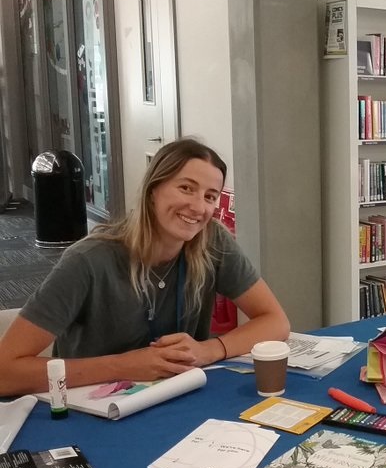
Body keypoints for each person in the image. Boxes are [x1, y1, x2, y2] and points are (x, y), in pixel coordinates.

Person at [0, 138, 290, 396]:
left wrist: (209, 350)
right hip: (92, 408)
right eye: (186, 188)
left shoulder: (212, 242)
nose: (198, 207)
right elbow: (5, 373)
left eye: (210, 196)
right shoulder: (88, 260)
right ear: (154, 190)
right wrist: (123, 365)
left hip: (178, 398)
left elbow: (275, 321)